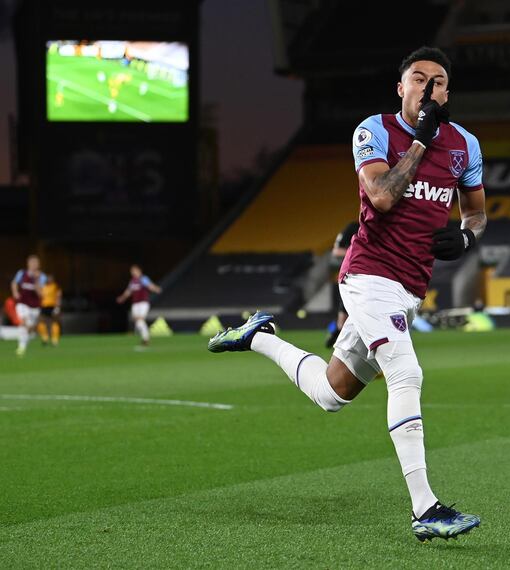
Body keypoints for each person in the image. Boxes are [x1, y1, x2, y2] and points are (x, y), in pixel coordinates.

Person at [208, 47, 485, 542]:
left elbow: (477, 213)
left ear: (447, 93)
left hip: (408, 287)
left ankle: (258, 337)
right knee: (406, 371)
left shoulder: (465, 145)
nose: (427, 88)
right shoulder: (374, 131)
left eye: (438, 82)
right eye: (417, 79)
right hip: (368, 274)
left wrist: (466, 236)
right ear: (400, 89)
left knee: (331, 393)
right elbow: (382, 197)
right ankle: (426, 508)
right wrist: (419, 142)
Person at [325, 221, 359, 348]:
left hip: (375, 276)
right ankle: (339, 334)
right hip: (352, 276)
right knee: (344, 310)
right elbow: (336, 251)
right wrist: (358, 253)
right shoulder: (353, 228)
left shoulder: (382, 225)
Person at [116, 265, 162, 346]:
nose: (133, 273)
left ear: (139, 271)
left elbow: (150, 286)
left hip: (143, 303)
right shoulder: (132, 281)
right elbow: (129, 291)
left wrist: (156, 289)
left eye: (134, 271)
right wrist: (122, 298)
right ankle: (145, 338)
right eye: (132, 271)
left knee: (140, 320)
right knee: (138, 322)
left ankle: (146, 338)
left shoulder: (143, 279)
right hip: (135, 304)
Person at [10, 255, 46, 357]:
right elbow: (14, 283)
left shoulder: (42, 276)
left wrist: (36, 281)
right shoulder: (21, 273)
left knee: (29, 328)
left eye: (36, 263)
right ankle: (21, 347)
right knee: (23, 322)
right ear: (28, 264)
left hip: (35, 306)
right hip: (22, 303)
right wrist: (15, 292)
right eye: (32, 263)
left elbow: (41, 294)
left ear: (39, 265)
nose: (34, 265)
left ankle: (23, 345)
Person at [37, 274, 63, 346]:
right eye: (48, 278)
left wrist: (57, 307)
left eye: (50, 278)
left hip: (52, 306)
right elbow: (39, 295)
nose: (49, 280)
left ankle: (55, 339)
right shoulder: (44, 287)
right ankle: (45, 337)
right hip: (44, 306)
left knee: (54, 322)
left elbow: (59, 296)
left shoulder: (55, 286)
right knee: (41, 322)